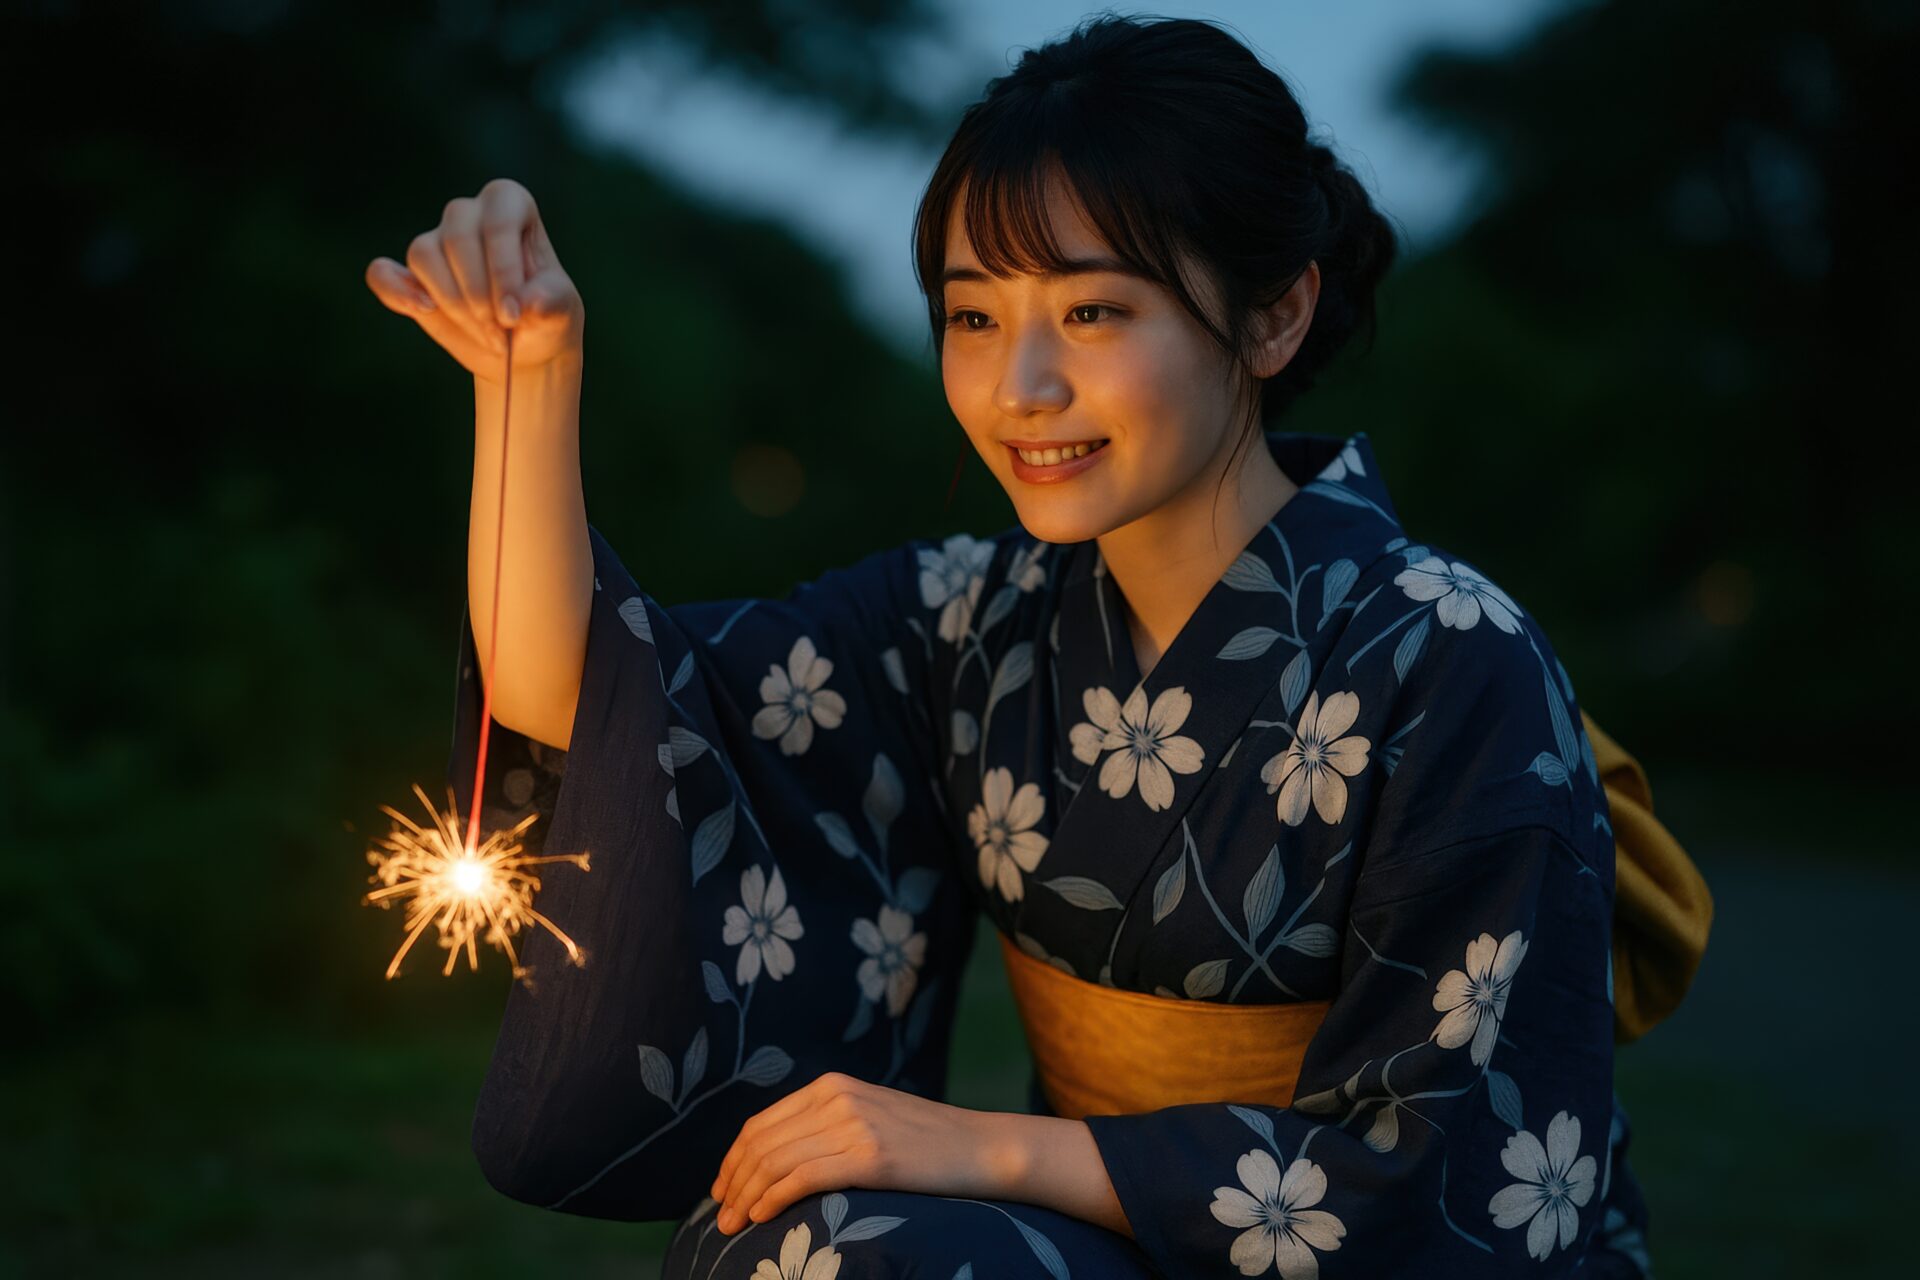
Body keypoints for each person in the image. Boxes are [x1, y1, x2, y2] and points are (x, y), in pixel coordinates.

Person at [365, 14, 1710, 1278]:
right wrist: (526, 381)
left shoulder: (1451, 653)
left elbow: (1454, 1181)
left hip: (1366, 1256)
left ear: (1275, 315)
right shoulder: (972, 618)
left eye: (1093, 312)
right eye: (973, 316)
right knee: (806, 1240)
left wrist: (992, 1148)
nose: (1022, 389)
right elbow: (601, 705)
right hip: (1113, 1237)